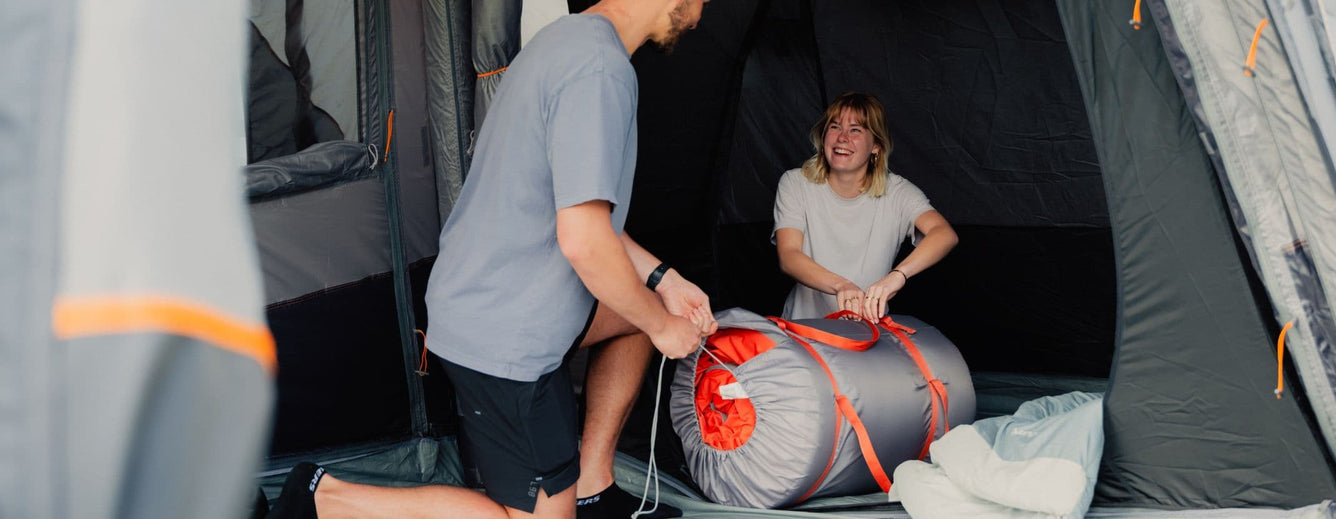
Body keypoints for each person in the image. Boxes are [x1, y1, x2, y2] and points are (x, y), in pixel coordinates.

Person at [264, 1, 714, 518]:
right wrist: (663, 326)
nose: (704, 7)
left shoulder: (565, 41)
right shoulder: (599, 70)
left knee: (634, 319)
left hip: (490, 299)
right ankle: (326, 497)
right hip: (506, 333)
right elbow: (585, 241)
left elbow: (580, 213)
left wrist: (664, 280)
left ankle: (591, 485)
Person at [773, 92, 958, 323]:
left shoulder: (898, 192)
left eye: (856, 130)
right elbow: (789, 256)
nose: (842, 137)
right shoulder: (795, 183)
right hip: (803, 328)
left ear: (876, 146)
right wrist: (841, 285)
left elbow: (944, 234)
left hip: (868, 335)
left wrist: (898, 276)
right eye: (835, 127)